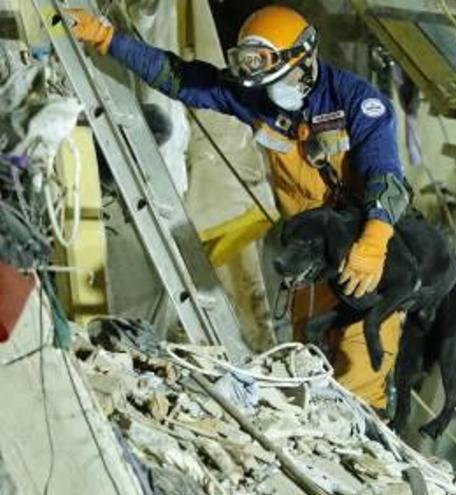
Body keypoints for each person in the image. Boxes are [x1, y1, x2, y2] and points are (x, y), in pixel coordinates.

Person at [64, 5, 409, 408]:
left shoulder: (357, 101)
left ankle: (367, 438)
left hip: (360, 252)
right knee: (308, 363)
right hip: (309, 254)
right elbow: (182, 79)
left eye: (277, 77)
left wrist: (375, 240)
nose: (269, 91)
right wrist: (108, 38)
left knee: (358, 359)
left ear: (305, 58)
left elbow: (386, 175)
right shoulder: (259, 98)